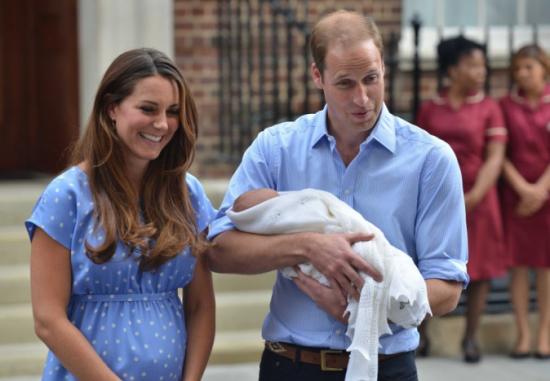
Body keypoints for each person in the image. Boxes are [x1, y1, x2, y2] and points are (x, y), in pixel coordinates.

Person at [207, 10, 468, 381]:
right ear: (318, 76)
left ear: (383, 69)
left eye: (371, 79)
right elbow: (219, 249)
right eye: (345, 83)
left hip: (387, 367)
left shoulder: (431, 159)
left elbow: (447, 288)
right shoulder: (276, 148)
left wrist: (367, 309)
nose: (362, 98)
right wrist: (309, 247)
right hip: (290, 366)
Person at [25, 48, 216, 381]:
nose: (162, 124)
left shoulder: (188, 194)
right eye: (147, 108)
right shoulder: (66, 196)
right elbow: (48, 319)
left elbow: (200, 307)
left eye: (172, 111)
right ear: (112, 108)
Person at [415, 36, 508, 363]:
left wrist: (472, 197)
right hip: (437, 200)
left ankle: (471, 338)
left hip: (478, 201)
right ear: (452, 70)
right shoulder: (430, 109)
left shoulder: (489, 108)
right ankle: (420, 335)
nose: (480, 71)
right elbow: (419, 157)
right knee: (427, 265)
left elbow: (494, 157)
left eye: (483, 65)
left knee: (479, 270)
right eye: (472, 65)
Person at [499, 44, 550, 360]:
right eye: (517, 68)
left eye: (528, 67)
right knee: (517, 267)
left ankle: (545, 334)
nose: (521, 74)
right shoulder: (505, 105)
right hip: (515, 196)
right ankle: (522, 334)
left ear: (544, 68)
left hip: (547, 195)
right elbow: (500, 153)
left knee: (546, 268)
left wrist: (541, 189)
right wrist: (523, 188)